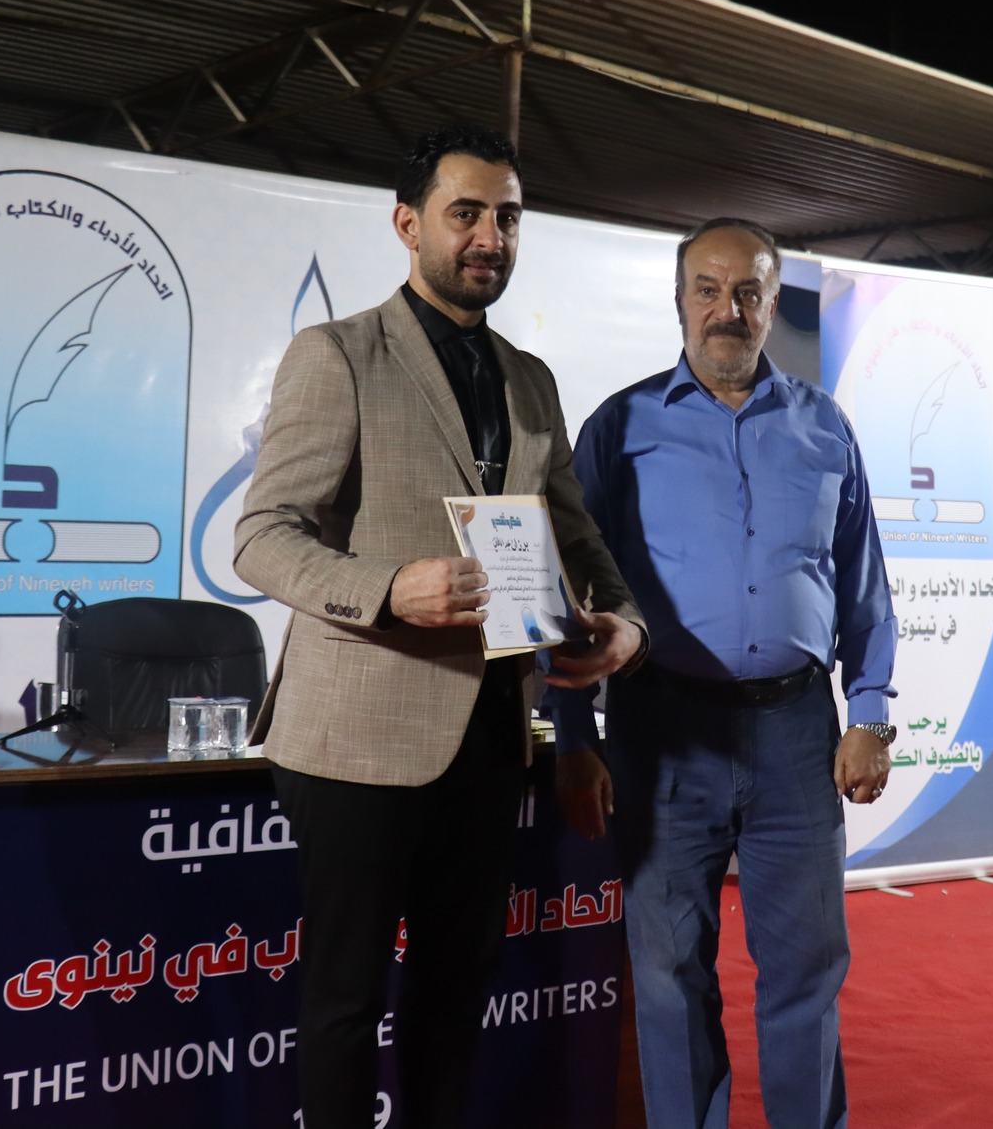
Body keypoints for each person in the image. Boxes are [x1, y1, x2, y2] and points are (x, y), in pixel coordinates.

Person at [233, 124, 646, 1126]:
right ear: (407, 224)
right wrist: (389, 589)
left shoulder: (530, 378)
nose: (490, 237)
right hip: (356, 738)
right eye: (466, 213)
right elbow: (261, 537)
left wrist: (623, 623)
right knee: (345, 998)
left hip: (490, 735)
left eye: (508, 216)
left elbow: (573, 534)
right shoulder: (338, 354)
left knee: (456, 992)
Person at [547, 217, 896, 1129]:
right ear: (679, 301)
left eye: (748, 292)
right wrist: (576, 738)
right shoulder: (620, 427)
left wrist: (869, 712)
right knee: (669, 975)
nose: (727, 310)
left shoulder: (825, 426)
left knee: (806, 973)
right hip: (664, 734)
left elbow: (863, 582)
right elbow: (570, 591)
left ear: (774, 304)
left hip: (797, 736)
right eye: (707, 289)